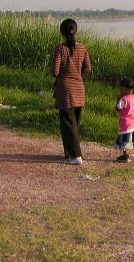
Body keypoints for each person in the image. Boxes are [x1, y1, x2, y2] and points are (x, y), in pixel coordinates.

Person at [51, 18, 91, 165]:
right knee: (74, 124)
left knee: (67, 124)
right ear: (76, 31)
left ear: (62, 32)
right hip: (79, 90)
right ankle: (71, 154)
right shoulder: (83, 48)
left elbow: (55, 71)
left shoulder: (60, 49)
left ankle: (75, 156)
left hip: (65, 90)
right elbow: (87, 69)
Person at [113, 77, 134, 163]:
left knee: (124, 140)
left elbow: (118, 108)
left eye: (120, 88)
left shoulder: (124, 99)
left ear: (124, 88)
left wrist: (118, 101)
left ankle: (125, 155)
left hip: (125, 124)